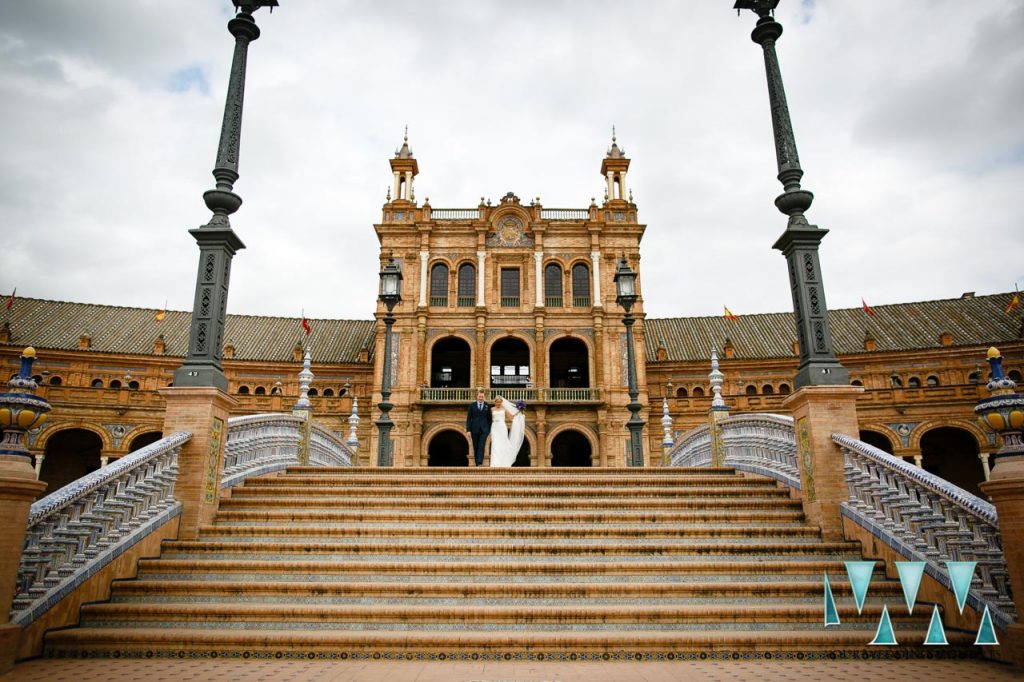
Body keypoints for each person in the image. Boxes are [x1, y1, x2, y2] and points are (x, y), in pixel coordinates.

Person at [489, 396, 525, 468]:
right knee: (495, 444)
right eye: (497, 402)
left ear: (501, 402)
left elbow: (511, 417)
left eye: (500, 402)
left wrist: (519, 412)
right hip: (494, 427)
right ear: (495, 402)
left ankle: (503, 463)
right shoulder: (491, 409)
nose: (498, 403)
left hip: (502, 427)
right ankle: (495, 463)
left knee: (503, 443)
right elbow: (488, 419)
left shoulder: (504, 409)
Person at [465, 390, 490, 466]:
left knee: (481, 445)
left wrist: (488, 429)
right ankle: (477, 463)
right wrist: (468, 430)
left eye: (482, 397)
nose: (481, 398)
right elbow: (469, 418)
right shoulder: (472, 405)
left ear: (484, 397)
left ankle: (479, 462)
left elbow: (489, 418)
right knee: (475, 445)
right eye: (479, 396)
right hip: (474, 429)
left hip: (484, 429)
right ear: (477, 397)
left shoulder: (487, 405)